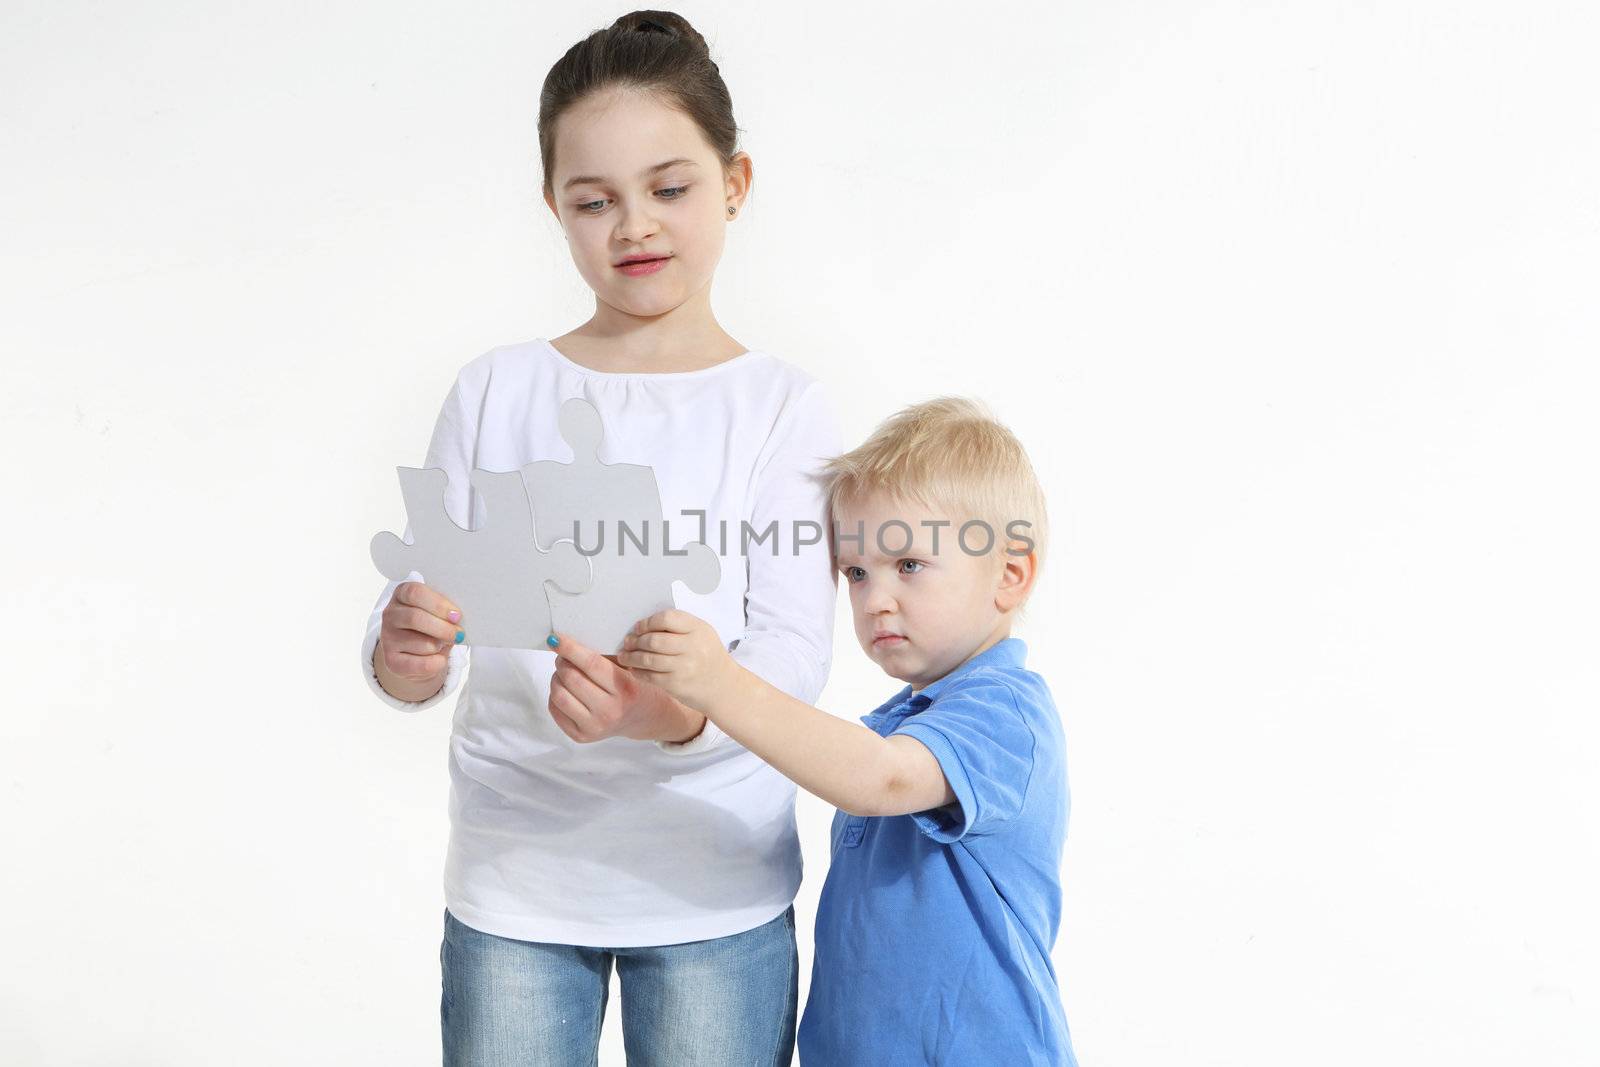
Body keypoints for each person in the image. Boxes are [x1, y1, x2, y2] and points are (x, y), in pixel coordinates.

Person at [359, 11, 841, 1064]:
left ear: (735, 183)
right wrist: (400, 655)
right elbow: (428, 605)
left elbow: (793, 651)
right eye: (594, 200)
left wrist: (669, 713)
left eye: (669, 187)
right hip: (517, 881)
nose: (634, 226)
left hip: (713, 881)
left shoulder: (779, 406)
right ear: (554, 209)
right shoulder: (496, 389)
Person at [567, 396, 1078, 1065]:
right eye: (857, 573)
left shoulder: (1006, 714)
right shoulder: (900, 720)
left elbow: (880, 776)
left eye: (909, 565)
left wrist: (721, 681)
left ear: (1010, 574)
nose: (875, 599)